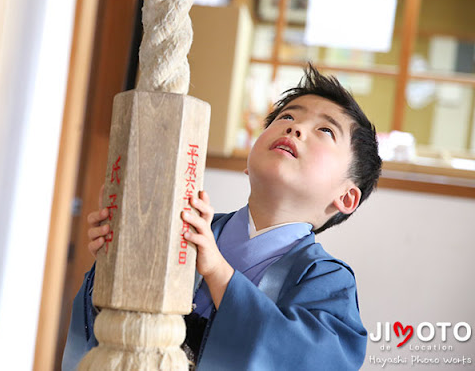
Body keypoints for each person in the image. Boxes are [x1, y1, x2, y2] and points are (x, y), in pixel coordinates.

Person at [63, 64, 382, 370]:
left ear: (346, 197)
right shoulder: (187, 225)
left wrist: (217, 272)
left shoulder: (327, 279)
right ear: (249, 162)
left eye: (325, 130)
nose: (294, 127)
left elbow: (312, 360)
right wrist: (113, 265)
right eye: (286, 116)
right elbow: (111, 332)